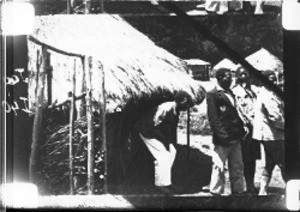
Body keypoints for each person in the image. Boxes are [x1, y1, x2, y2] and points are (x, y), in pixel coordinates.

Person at [134, 91, 193, 194]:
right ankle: (160, 185)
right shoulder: (166, 108)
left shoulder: (175, 110)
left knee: (172, 152)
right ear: (182, 101)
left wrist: (169, 143)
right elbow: (154, 125)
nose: (188, 106)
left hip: (157, 133)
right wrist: (163, 141)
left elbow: (168, 128)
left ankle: (166, 182)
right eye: (187, 103)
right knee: (163, 156)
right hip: (147, 131)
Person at [206, 68, 246, 196]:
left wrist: (242, 127)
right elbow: (214, 119)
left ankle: (238, 191)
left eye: (231, 77)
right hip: (223, 138)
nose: (230, 80)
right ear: (219, 78)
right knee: (219, 166)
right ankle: (216, 192)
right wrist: (223, 136)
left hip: (236, 136)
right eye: (227, 77)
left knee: (237, 166)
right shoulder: (213, 94)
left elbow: (235, 113)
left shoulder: (230, 92)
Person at [252, 70, 285, 195]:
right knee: (284, 163)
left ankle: (263, 190)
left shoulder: (268, 93)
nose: (273, 81)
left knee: (269, 163)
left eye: (274, 79)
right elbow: (275, 117)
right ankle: (293, 189)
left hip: (270, 136)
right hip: (272, 136)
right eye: (269, 79)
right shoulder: (267, 95)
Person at [232, 67, 261, 194]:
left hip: (255, 127)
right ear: (237, 76)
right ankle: (246, 185)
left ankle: (251, 183)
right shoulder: (236, 91)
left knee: (253, 157)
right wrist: (245, 123)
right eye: (241, 74)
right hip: (245, 128)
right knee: (245, 158)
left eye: (246, 74)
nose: (244, 76)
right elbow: (238, 110)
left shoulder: (253, 90)